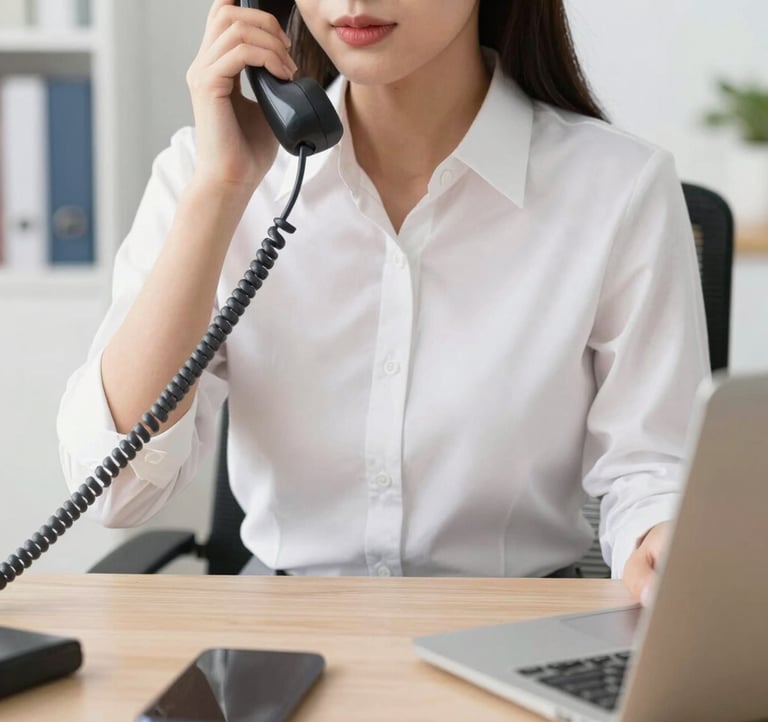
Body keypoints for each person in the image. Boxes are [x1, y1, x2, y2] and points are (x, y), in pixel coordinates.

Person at [57, 0, 709, 602]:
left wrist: (659, 537)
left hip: (516, 625)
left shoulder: (618, 187)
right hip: (285, 631)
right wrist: (221, 190)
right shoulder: (208, 173)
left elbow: (653, 467)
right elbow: (114, 492)